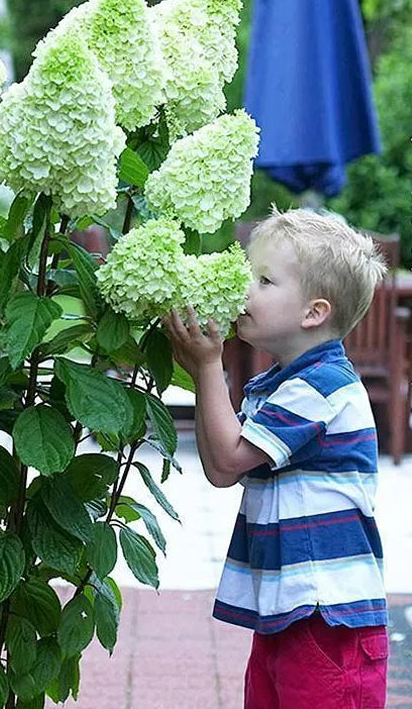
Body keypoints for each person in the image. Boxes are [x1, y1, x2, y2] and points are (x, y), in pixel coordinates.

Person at [163, 208, 389, 709]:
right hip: (290, 613)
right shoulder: (282, 385)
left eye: (263, 280)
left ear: (314, 312)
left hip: (327, 621)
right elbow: (222, 470)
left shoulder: (321, 386)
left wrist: (206, 366)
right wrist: (205, 369)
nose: (246, 288)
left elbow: (225, 462)